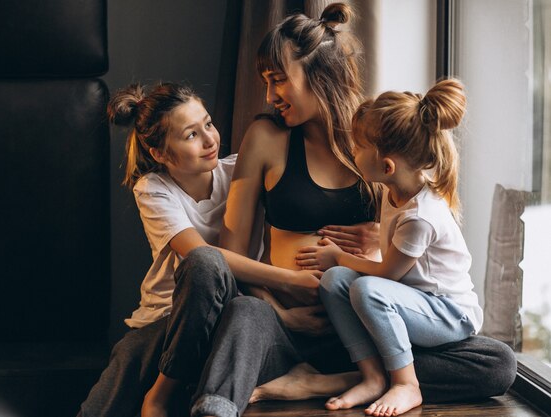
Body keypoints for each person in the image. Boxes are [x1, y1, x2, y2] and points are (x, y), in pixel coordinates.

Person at [190, 4, 515, 417]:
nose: (270, 95)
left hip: (374, 327)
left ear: (318, 77)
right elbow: (230, 257)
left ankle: (344, 380)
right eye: (265, 82)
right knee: (244, 313)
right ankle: (215, 409)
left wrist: (379, 240)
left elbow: (424, 236)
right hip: (291, 326)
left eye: (278, 81)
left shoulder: (376, 135)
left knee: (497, 362)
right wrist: (287, 315)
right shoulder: (266, 137)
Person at [77, 82, 323, 417]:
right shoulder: (153, 189)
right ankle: (160, 395)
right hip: (172, 322)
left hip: (240, 317)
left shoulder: (241, 171)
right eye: (191, 135)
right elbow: (203, 259)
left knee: (244, 312)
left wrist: (373, 229)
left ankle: (175, 396)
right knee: (202, 265)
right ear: (160, 153)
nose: (210, 140)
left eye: (208, 124)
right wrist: (291, 281)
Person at [313, 79, 480, 416]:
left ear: (387, 165)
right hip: (416, 302)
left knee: (366, 289)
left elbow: (386, 273)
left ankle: (407, 383)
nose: (352, 152)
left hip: (449, 314)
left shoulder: (421, 215)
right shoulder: (395, 191)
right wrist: (339, 266)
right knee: (335, 282)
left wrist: (338, 256)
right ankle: (373, 376)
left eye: (358, 147)